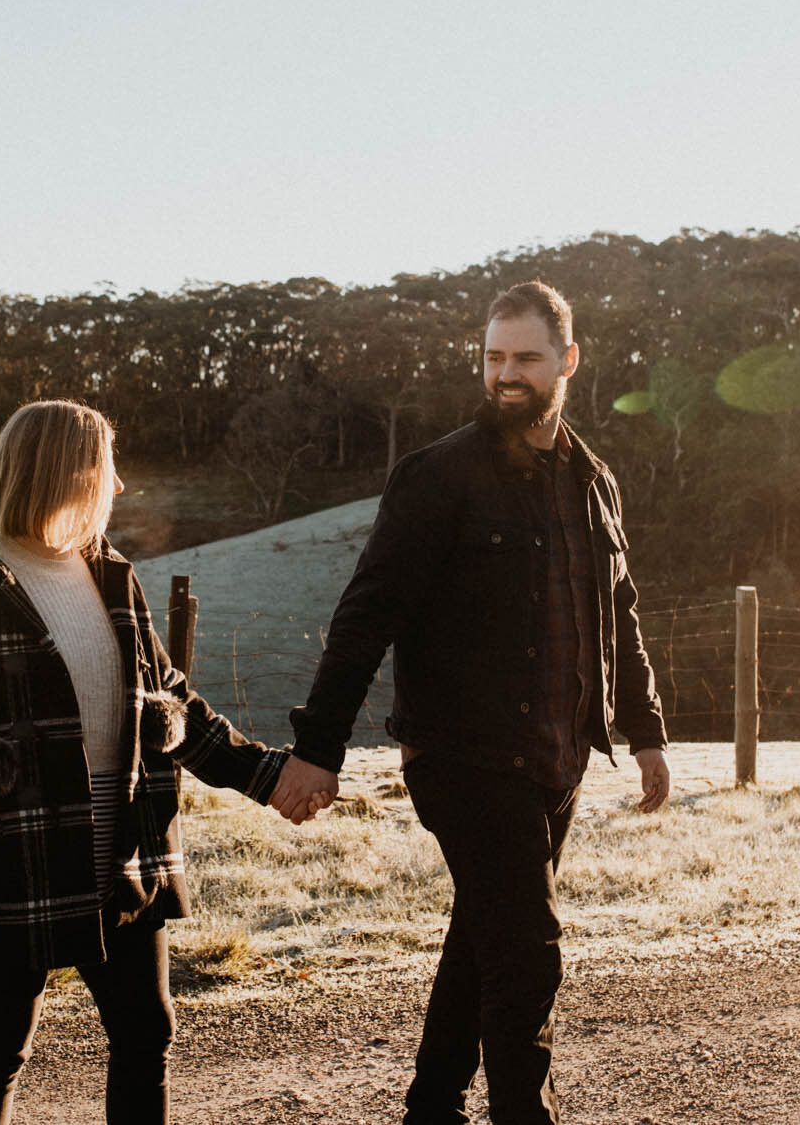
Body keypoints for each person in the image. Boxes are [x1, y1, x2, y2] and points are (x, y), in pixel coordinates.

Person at [272, 280, 672, 1125]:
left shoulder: (593, 480)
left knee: (483, 937)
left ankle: (434, 1105)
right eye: (493, 357)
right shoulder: (438, 476)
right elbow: (364, 614)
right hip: (464, 756)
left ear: (567, 361)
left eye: (526, 357)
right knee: (527, 954)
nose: (506, 375)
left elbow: (618, 611)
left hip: (557, 760)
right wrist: (319, 747)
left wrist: (645, 731)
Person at [0, 399, 329, 1125]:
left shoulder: (111, 577)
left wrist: (271, 775)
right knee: (2, 1043)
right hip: (16, 868)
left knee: (147, 1032)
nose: (121, 485)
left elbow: (177, 711)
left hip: (122, 857)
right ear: (67, 471)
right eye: (109, 466)